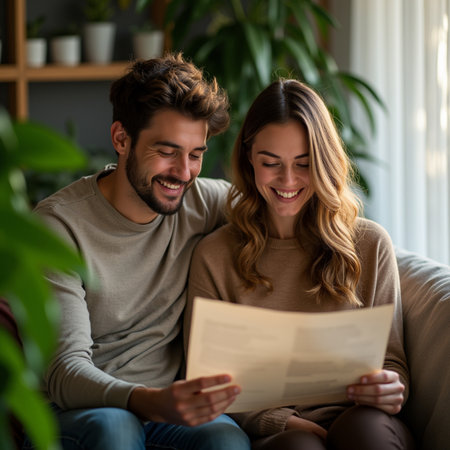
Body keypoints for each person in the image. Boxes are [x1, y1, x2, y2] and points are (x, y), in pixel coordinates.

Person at [23, 53, 250, 450]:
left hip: (166, 409)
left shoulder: (203, 202)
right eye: (167, 152)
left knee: (225, 439)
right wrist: (149, 400)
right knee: (117, 430)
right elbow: (64, 371)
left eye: (195, 154)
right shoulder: (59, 226)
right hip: (76, 411)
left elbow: (287, 211)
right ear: (121, 139)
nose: (183, 173)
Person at [185, 79, 416, 450]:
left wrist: (389, 388)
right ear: (249, 159)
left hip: (359, 417)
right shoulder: (215, 256)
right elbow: (206, 382)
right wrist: (278, 420)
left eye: (304, 164)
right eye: (271, 163)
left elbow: (391, 360)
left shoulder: (370, 245)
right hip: (273, 433)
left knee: (366, 436)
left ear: (325, 163)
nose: (288, 180)